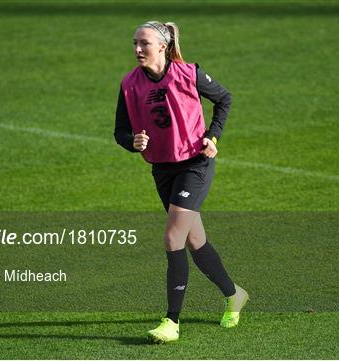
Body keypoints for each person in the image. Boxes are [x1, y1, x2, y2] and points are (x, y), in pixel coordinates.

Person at [114, 20, 249, 344]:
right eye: (134, 43)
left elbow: (224, 99)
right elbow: (119, 131)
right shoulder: (129, 84)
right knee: (194, 240)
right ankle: (234, 295)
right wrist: (132, 141)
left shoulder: (188, 73)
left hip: (195, 165)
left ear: (162, 46)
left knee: (173, 237)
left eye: (143, 44)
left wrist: (213, 136)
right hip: (162, 169)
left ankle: (171, 321)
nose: (137, 49)